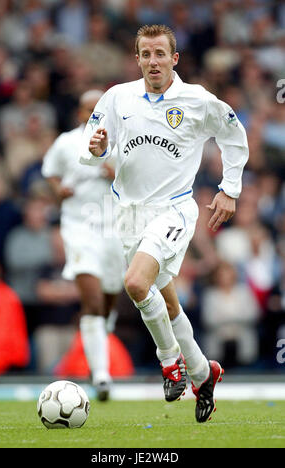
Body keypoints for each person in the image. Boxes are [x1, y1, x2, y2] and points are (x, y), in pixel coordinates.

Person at [80, 24, 249, 423]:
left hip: (172, 210)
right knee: (164, 301)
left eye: (160, 54)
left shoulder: (196, 100)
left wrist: (230, 189)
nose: (152, 61)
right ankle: (203, 374)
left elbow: (234, 135)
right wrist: (96, 149)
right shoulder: (117, 96)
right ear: (137, 59)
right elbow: (92, 145)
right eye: (145, 54)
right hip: (127, 212)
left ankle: (169, 362)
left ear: (175, 59)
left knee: (136, 283)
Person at [41, 90, 125, 401]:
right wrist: (58, 190)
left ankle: (100, 342)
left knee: (110, 298)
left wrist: (112, 172)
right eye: (88, 109)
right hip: (79, 228)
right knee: (91, 298)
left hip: (116, 228)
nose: (93, 114)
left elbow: (138, 180)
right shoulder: (65, 143)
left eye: (98, 109)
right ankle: (101, 374)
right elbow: (50, 172)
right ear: (79, 112)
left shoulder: (122, 142)